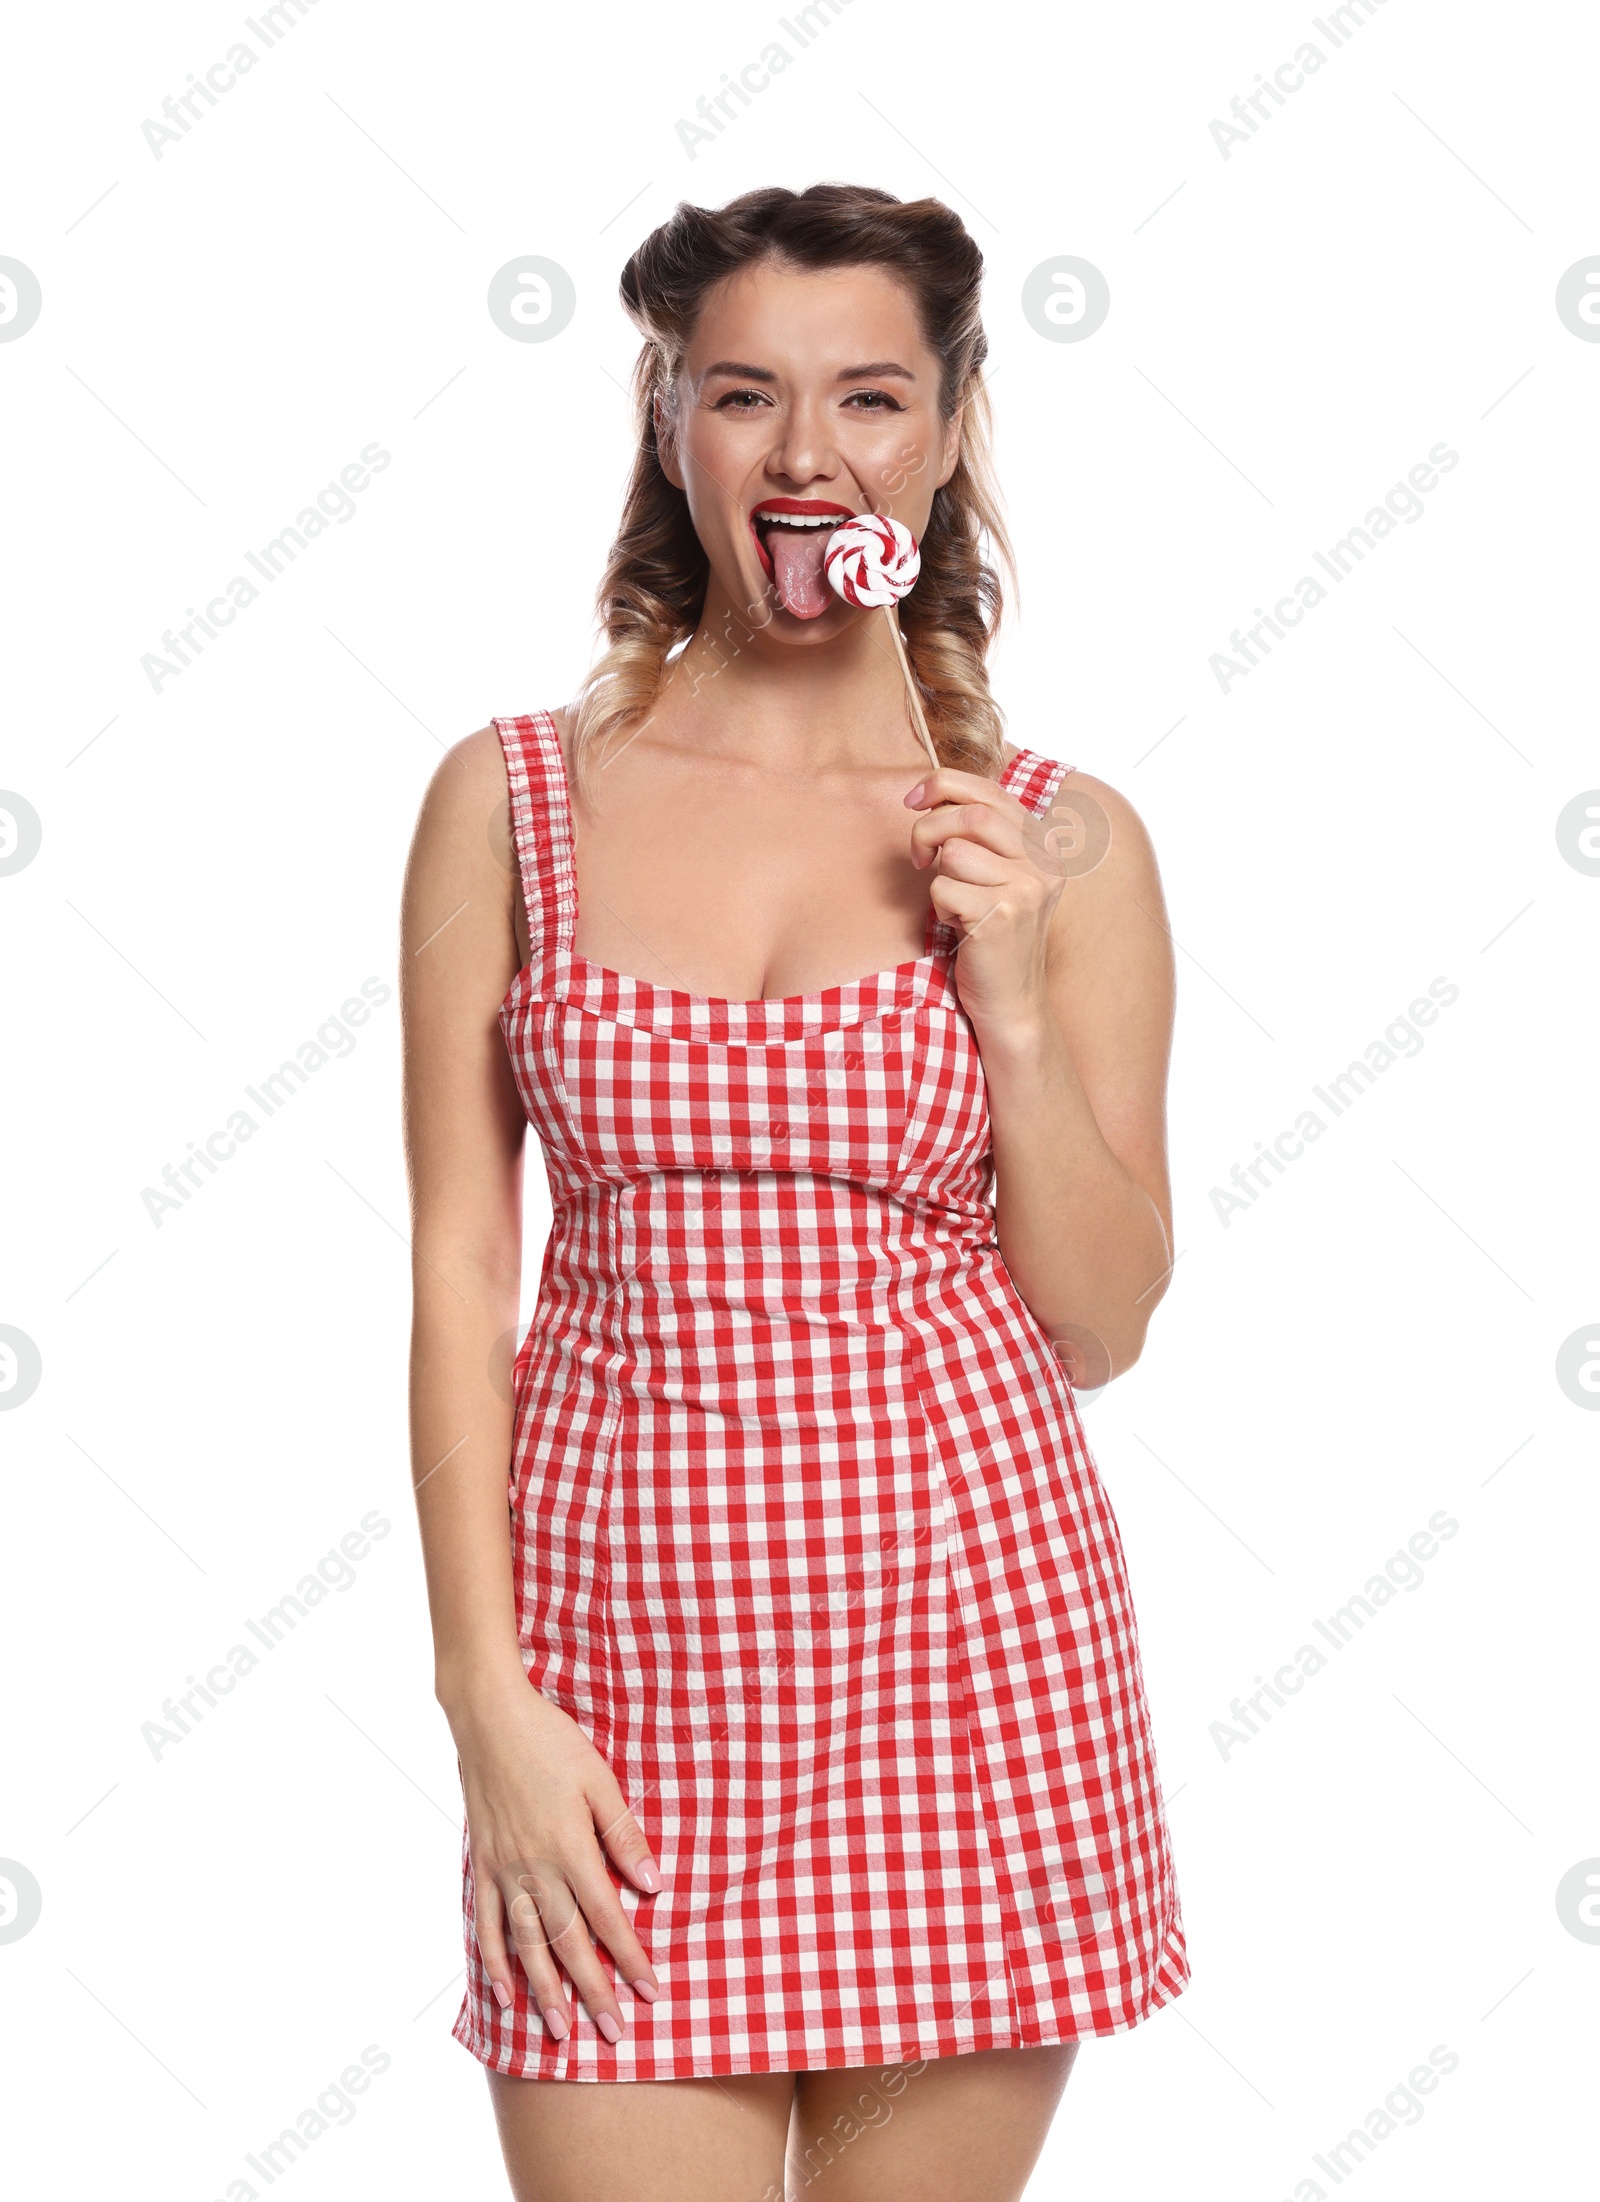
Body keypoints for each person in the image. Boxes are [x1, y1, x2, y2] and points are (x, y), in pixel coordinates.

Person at [400, 182, 1188, 2202]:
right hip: (618, 1669)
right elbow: (457, 1261)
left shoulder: (1061, 840)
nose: (806, 453)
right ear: (667, 419)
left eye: (868, 397)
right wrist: (482, 1696)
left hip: (963, 1661)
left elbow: (1099, 1319)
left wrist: (1006, 1002)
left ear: (943, 433)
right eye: (743, 394)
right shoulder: (510, 801)